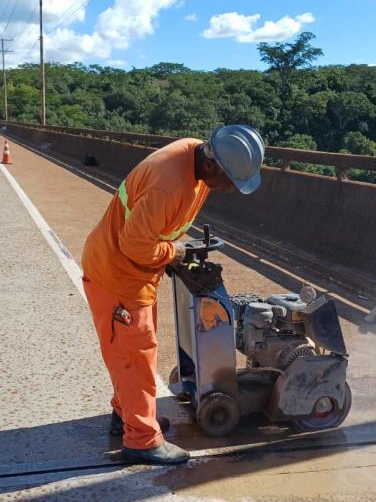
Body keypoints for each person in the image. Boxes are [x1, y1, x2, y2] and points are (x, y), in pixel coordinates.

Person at [81, 124, 265, 465]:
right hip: (118, 275)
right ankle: (142, 441)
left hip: (134, 274)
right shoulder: (169, 184)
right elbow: (135, 244)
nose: (228, 190)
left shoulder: (195, 155)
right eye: (229, 181)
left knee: (135, 353)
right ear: (212, 164)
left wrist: (167, 252)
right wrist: (174, 253)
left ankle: (129, 417)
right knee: (136, 356)